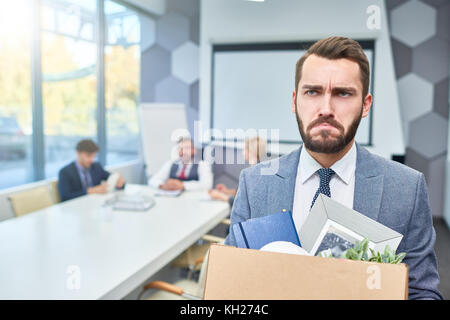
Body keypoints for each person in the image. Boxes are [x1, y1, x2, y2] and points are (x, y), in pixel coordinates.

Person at [224, 36, 442, 300]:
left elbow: (422, 293)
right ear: (295, 101)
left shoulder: (407, 188)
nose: (325, 109)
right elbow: (231, 283)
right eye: (312, 92)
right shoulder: (254, 183)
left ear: (365, 104)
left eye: (343, 93)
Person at [58, 139, 125, 202]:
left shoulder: (96, 167)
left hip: (95, 205)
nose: (91, 160)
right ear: (78, 153)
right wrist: (90, 191)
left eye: (93, 156)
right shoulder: (65, 172)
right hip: (76, 208)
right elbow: (65, 197)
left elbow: (113, 178)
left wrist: (119, 182)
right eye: (88, 156)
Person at [208, 136, 267, 206]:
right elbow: (244, 193)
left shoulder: (253, 174)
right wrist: (226, 191)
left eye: (245, 148)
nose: (243, 152)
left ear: (251, 151)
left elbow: (244, 204)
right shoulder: (258, 169)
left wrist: (221, 196)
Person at [148, 137, 213, 191]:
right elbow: (152, 180)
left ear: (193, 150)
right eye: (180, 148)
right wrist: (162, 185)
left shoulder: (202, 165)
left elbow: (207, 185)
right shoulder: (170, 163)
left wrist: (182, 185)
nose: (183, 151)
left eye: (187, 148)